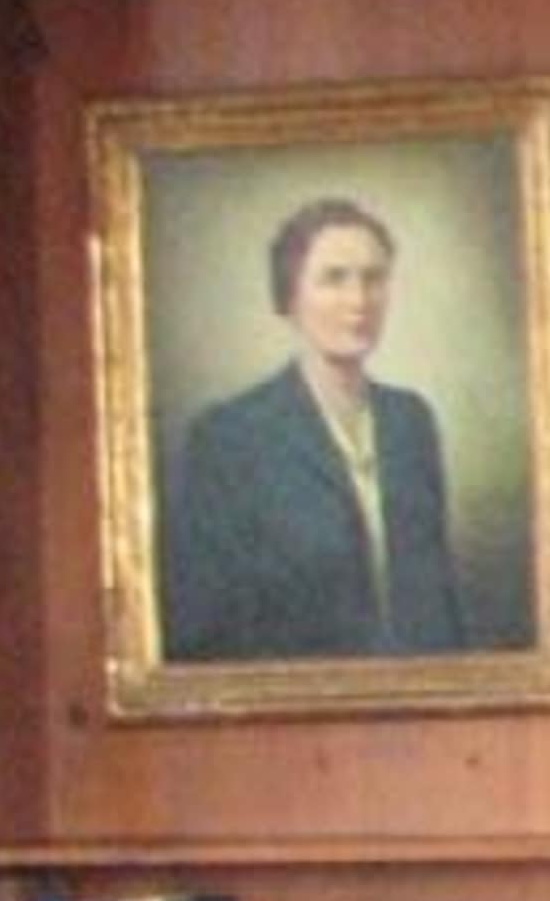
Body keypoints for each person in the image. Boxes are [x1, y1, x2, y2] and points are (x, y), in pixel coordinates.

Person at [161, 196, 467, 660]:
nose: (358, 301)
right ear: (290, 297)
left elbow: (436, 599)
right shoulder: (229, 437)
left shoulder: (410, 421)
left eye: (373, 279)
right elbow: (206, 622)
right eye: (333, 279)